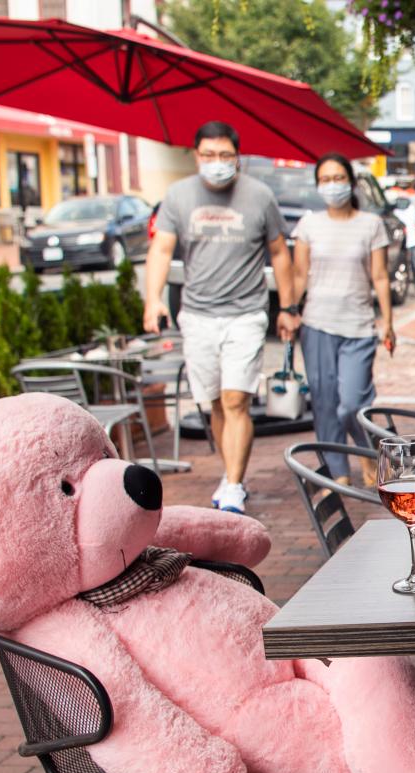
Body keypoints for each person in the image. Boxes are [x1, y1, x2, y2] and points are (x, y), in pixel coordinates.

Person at [144, 121, 297, 514]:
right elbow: (161, 250)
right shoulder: (178, 196)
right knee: (214, 402)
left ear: (238, 157)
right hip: (197, 315)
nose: (216, 163)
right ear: (196, 156)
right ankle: (232, 473)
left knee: (235, 400)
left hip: (245, 314)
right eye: (208, 155)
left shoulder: (259, 197)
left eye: (225, 155)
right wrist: (153, 300)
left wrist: (288, 307)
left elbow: (280, 253)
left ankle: (232, 484)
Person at [290, 152, 395, 486]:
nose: (332, 186)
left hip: (359, 326)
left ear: (351, 182)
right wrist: (288, 311)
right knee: (324, 404)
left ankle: (369, 451)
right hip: (317, 324)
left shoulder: (371, 224)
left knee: (351, 404)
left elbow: (379, 276)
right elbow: (298, 274)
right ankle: (337, 474)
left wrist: (388, 322)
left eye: (338, 178)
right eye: (325, 180)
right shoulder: (308, 225)